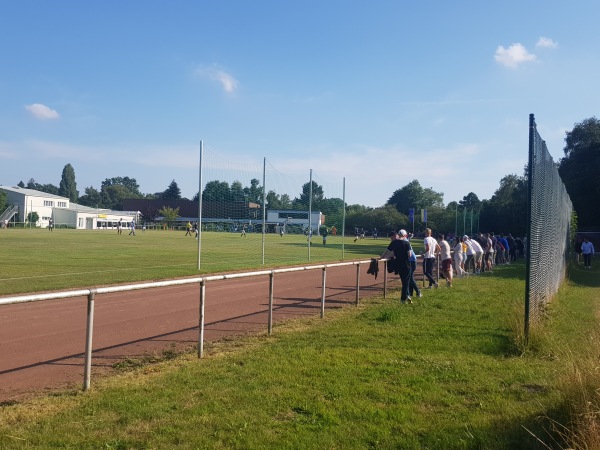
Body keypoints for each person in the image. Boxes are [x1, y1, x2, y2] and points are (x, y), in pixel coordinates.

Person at [381, 230, 413, 303]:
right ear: (404, 236)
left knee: (403, 281)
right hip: (406, 265)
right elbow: (409, 255)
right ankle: (403, 299)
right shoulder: (407, 243)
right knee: (406, 282)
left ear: (398, 235)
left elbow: (386, 251)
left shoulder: (394, 243)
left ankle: (406, 296)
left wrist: (380, 258)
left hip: (398, 264)